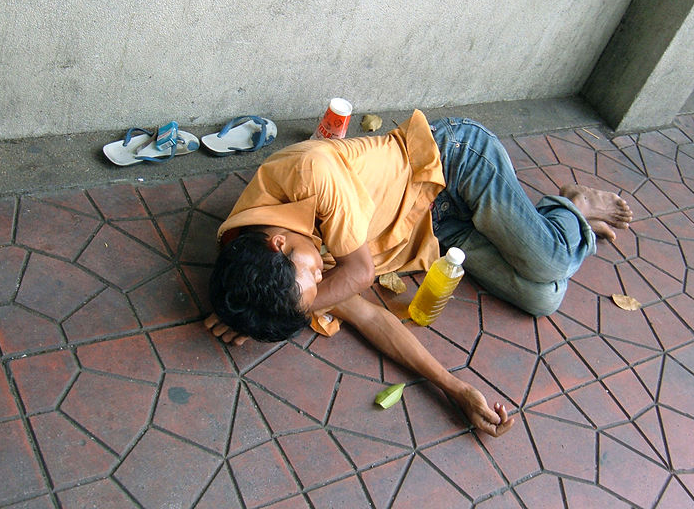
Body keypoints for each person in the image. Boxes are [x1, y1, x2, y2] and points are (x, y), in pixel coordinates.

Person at [205, 110, 632, 437]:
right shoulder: (266, 265)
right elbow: (372, 317)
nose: (321, 278)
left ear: (279, 242)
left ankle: (573, 206)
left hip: (453, 164)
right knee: (544, 298)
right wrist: (455, 388)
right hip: (439, 230)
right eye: (316, 283)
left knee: (552, 262)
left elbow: (360, 271)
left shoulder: (309, 173)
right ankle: (539, 227)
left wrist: (284, 314)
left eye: (313, 276)